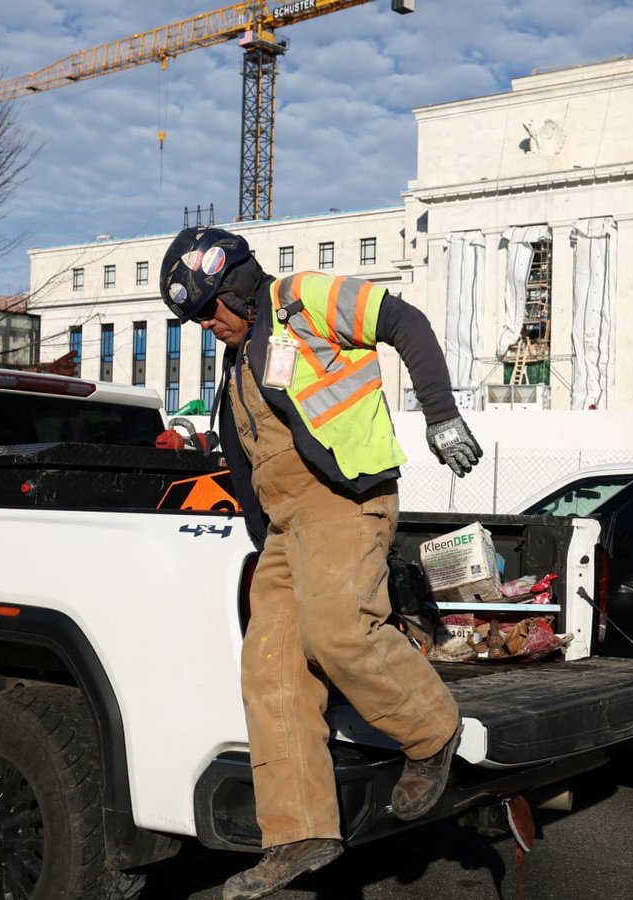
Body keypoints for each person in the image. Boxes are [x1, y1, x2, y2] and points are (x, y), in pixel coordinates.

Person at [160, 227, 484, 900]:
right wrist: (262, 532)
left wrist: (441, 415)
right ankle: (299, 832)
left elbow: (404, 321)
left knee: (337, 628)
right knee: (269, 667)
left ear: (236, 283)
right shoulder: (237, 363)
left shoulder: (302, 300)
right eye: (197, 319)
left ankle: (431, 731)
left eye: (211, 308)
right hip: (284, 530)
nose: (208, 324)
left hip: (344, 499)